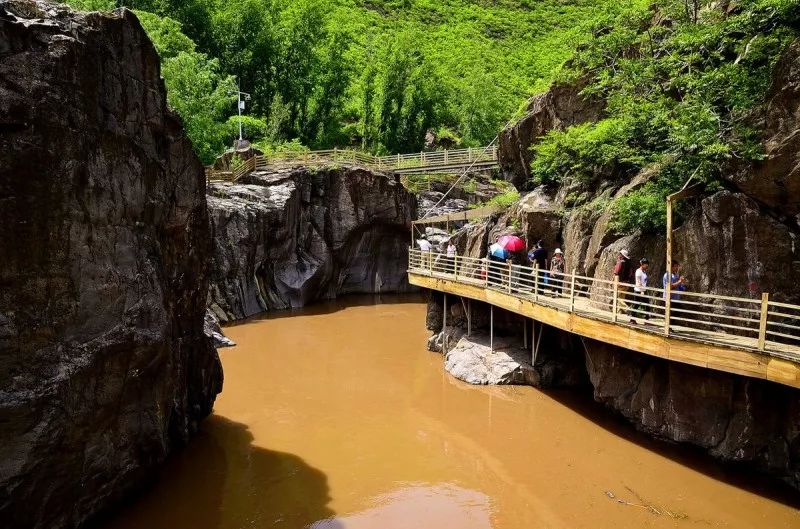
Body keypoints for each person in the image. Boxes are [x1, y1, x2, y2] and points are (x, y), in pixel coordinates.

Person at [663, 261, 687, 326]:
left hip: (676, 298)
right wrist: (679, 281)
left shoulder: (675, 275)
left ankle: (670, 324)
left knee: (678, 311)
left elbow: (679, 287)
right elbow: (669, 287)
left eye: (677, 266)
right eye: (675, 266)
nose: (677, 268)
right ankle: (668, 326)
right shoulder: (668, 275)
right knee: (670, 313)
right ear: (671, 267)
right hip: (669, 298)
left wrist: (682, 283)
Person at [613, 249, 633, 316]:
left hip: (620, 282)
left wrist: (614, 280)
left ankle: (627, 309)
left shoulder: (621, 262)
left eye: (620, 254)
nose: (619, 255)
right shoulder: (629, 263)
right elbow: (630, 273)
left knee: (617, 297)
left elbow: (616, 272)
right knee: (622, 298)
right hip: (627, 282)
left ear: (622, 255)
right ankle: (619, 313)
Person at [630, 258, 650, 323]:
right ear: (642, 264)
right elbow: (639, 282)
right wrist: (642, 291)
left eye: (647, 264)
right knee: (636, 304)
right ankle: (632, 319)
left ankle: (646, 320)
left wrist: (644, 289)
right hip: (639, 290)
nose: (647, 265)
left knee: (647, 304)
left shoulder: (644, 271)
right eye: (646, 264)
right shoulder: (638, 271)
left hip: (644, 290)